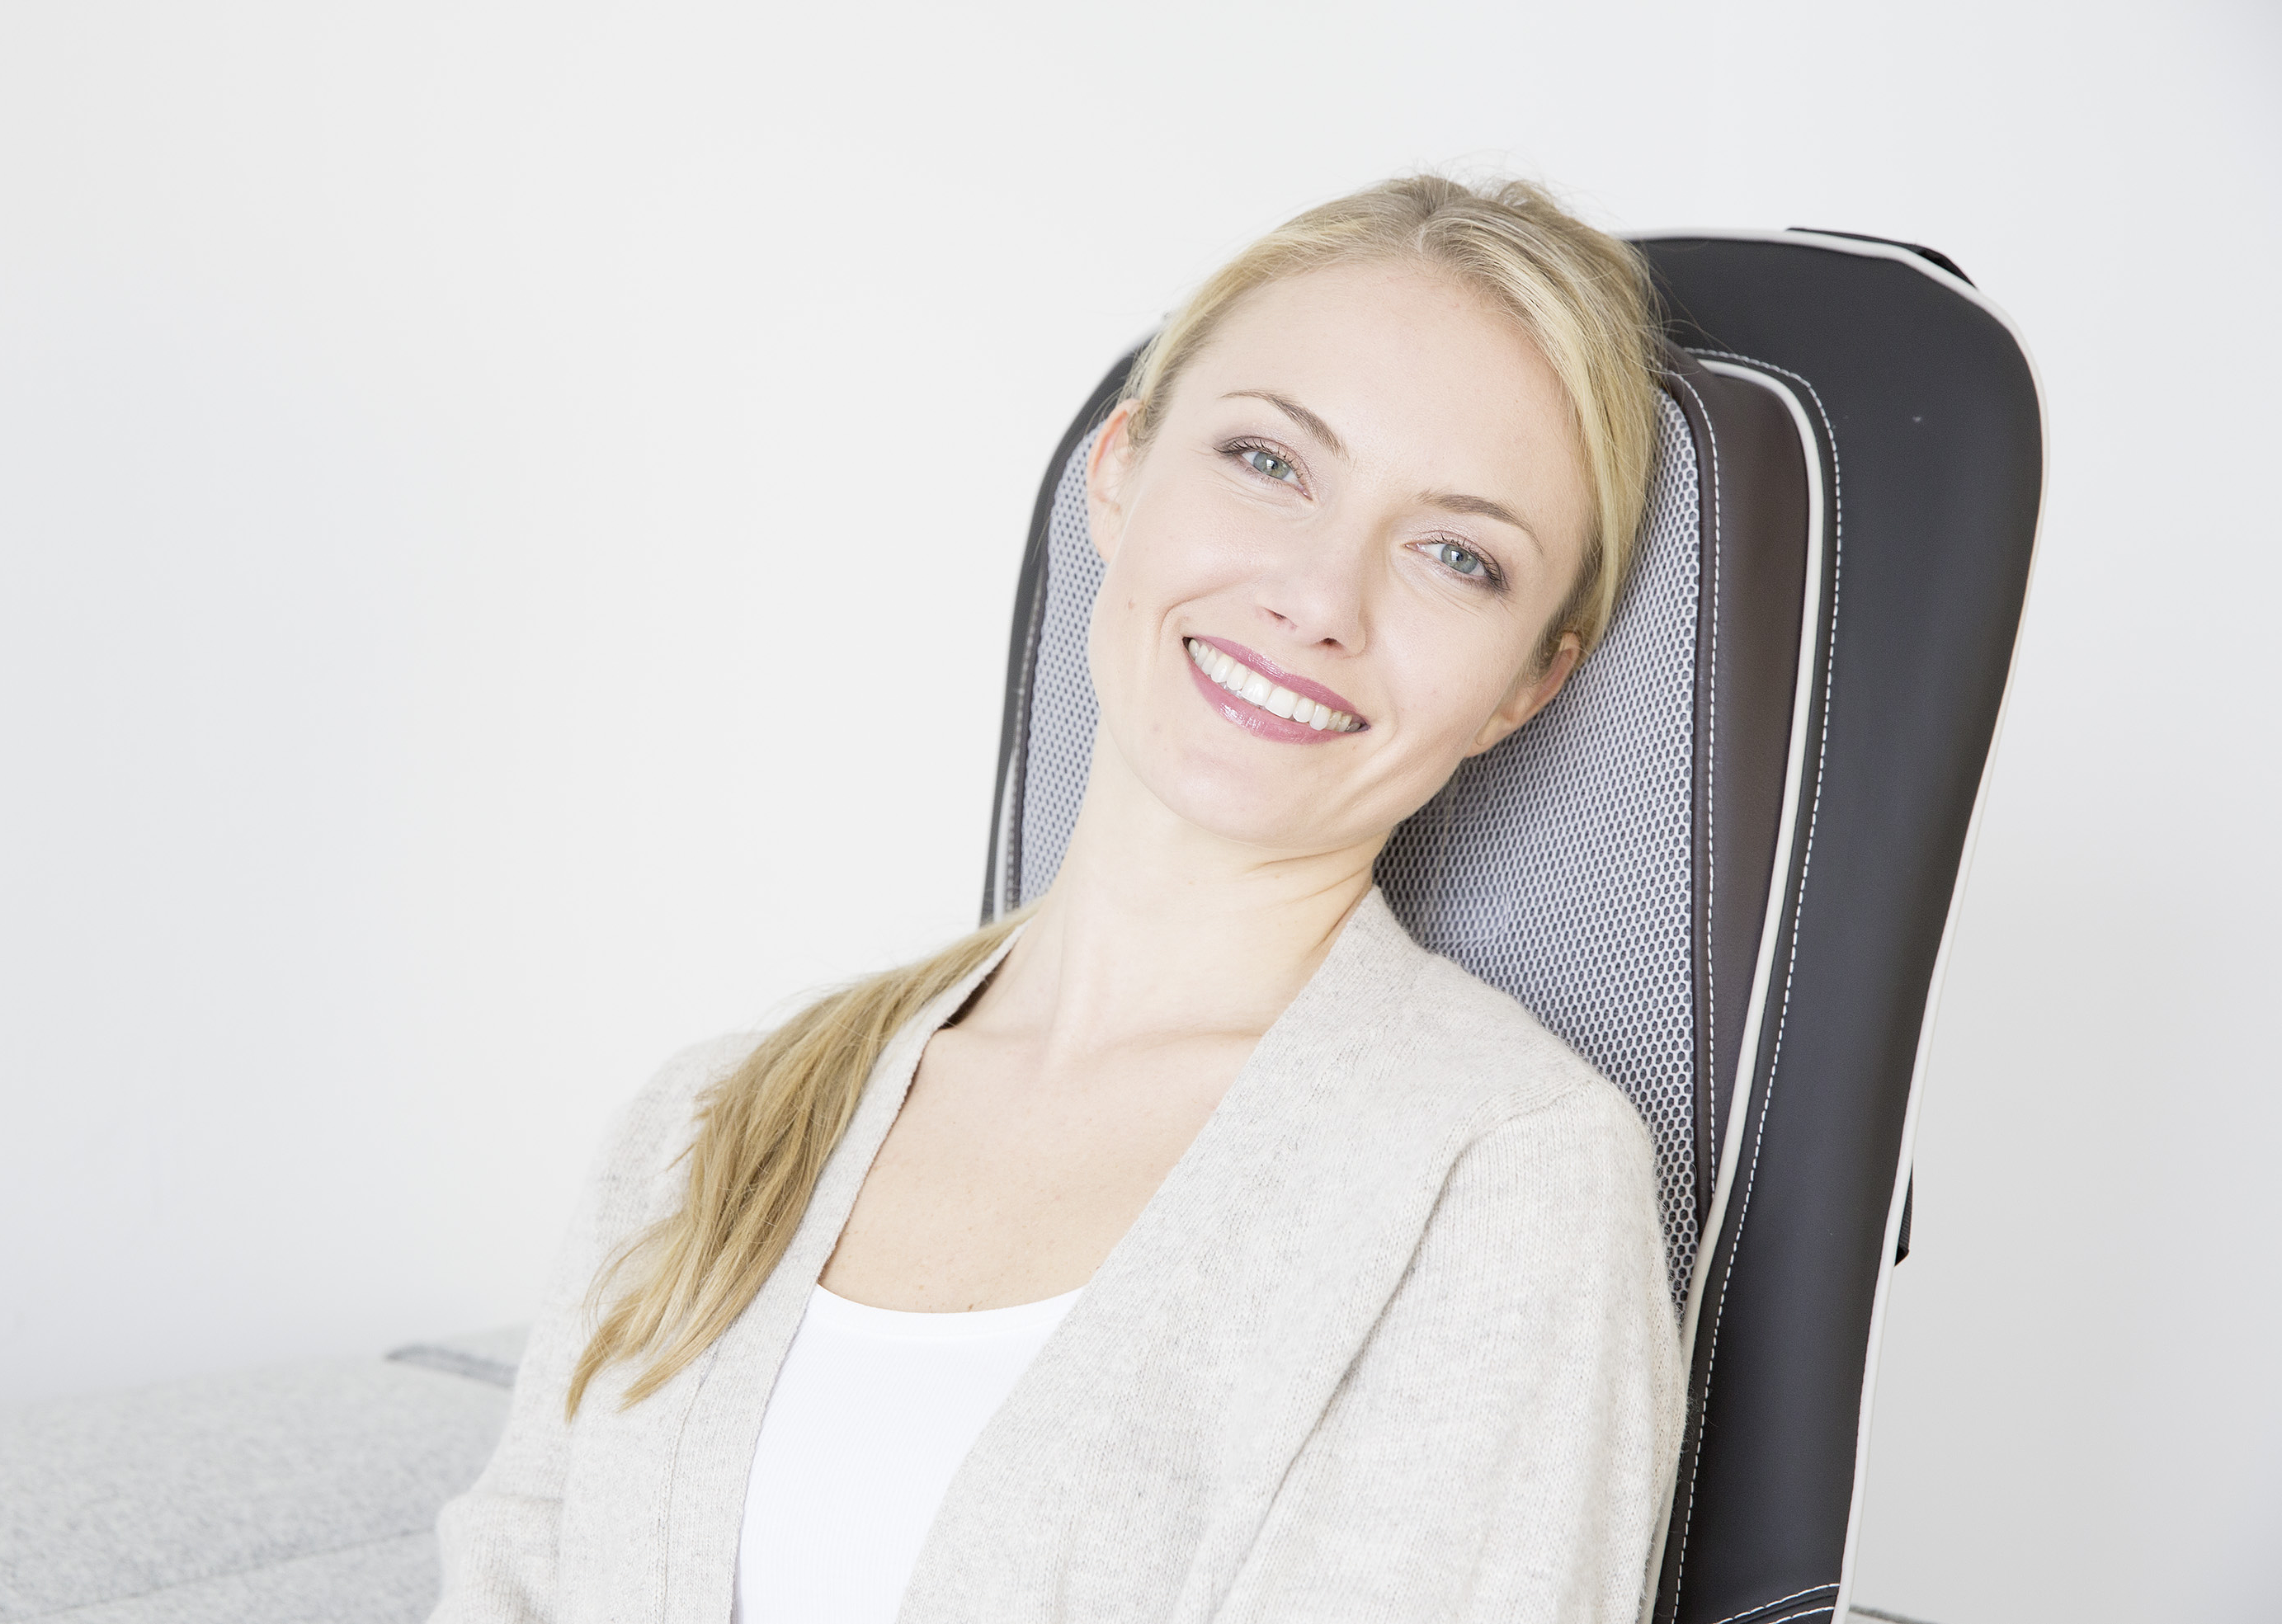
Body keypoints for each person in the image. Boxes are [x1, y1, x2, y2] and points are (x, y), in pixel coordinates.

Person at [432, 173, 1683, 1624]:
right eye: (1269, 462)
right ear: (1119, 472)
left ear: (1528, 685)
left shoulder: (1503, 1176)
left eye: (1457, 556)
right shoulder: (714, 1123)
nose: (1319, 598)